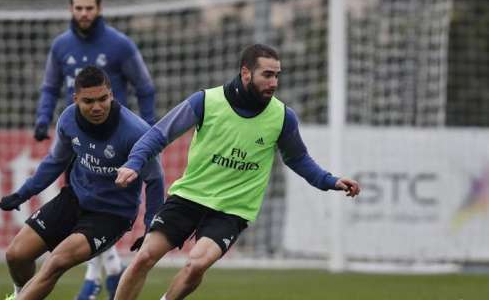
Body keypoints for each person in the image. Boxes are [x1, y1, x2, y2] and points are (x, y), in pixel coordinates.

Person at [113, 44, 361, 300]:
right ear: (246, 73)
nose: (274, 82)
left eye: (277, 75)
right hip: (189, 197)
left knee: (196, 264)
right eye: (267, 74)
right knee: (144, 257)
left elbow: (297, 158)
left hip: (232, 210)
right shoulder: (206, 101)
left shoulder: (283, 117)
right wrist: (134, 162)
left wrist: (330, 181)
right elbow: (158, 134)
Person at [0, 66, 164, 300]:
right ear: (76, 99)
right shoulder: (67, 119)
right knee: (16, 254)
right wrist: (23, 193)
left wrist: (150, 226)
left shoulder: (136, 132)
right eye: (88, 101)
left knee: (56, 262)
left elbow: (155, 179)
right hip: (74, 199)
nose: (97, 107)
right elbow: (55, 161)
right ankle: (18, 294)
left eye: (103, 99)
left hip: (111, 214)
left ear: (111, 95)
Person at [32, 0, 157, 300]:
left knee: (104, 208)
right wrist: (42, 118)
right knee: (84, 206)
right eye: (79, 8)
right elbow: (50, 87)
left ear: (99, 8)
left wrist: (152, 132)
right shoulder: (61, 46)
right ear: (71, 9)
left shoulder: (120, 45)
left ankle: (94, 279)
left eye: (90, 8)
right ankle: (107, 272)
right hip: (76, 139)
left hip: (115, 140)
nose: (84, 13)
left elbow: (145, 87)